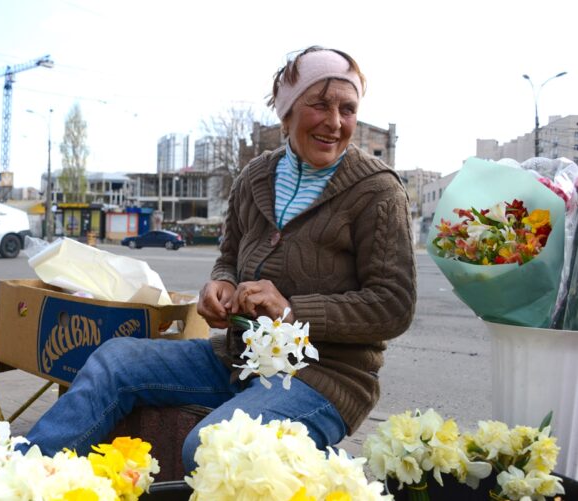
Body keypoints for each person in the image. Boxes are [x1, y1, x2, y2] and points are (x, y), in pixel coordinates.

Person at [21, 46, 416, 473]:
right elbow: (228, 258)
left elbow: (393, 305)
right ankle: (20, 477)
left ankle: (332, 479)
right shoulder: (255, 178)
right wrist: (221, 285)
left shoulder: (377, 191)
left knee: (213, 448)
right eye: (319, 104)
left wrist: (291, 311)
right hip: (236, 359)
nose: (335, 122)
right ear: (286, 113)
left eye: (348, 109)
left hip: (324, 378)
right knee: (114, 361)